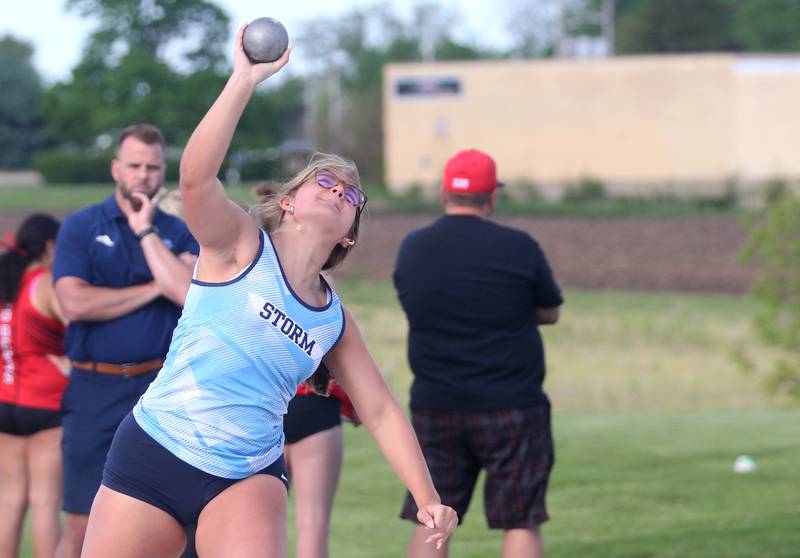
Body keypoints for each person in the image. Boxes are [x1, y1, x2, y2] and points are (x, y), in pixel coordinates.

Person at [79, 26, 458, 558]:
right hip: (157, 448)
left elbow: (379, 411)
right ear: (288, 202)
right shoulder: (238, 244)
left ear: (349, 231)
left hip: (246, 476)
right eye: (323, 182)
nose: (337, 191)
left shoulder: (333, 319)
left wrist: (428, 497)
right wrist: (244, 79)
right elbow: (194, 178)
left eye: (350, 193)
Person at [394, 149, 564, 558]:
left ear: (443, 194)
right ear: (491, 197)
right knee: (521, 519)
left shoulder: (413, 248)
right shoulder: (519, 246)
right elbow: (551, 310)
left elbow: (413, 302)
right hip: (512, 406)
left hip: (436, 405)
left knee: (431, 516)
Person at [51, 124, 199, 558]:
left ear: (163, 172)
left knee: (174, 524)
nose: (143, 175)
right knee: (80, 524)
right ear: (116, 168)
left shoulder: (180, 231)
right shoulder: (81, 227)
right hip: (95, 389)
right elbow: (74, 303)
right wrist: (158, 283)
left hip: (161, 388)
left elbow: (189, 294)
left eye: (153, 167)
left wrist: (153, 250)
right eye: (134, 165)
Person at [0, 214, 66, 558]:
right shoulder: (46, 284)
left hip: (5, 402)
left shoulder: (5, 285)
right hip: (45, 403)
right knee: (45, 501)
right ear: (50, 247)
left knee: (9, 500)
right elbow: (78, 335)